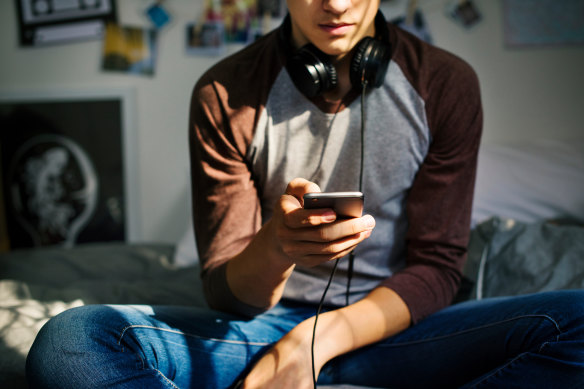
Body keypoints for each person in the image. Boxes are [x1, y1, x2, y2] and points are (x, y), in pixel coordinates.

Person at [26, 1, 584, 388]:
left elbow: (438, 268)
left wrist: (313, 344)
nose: (336, 5)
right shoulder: (225, 94)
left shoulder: (445, 83)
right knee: (71, 342)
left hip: (400, 327)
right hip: (260, 330)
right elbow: (225, 295)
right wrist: (279, 248)